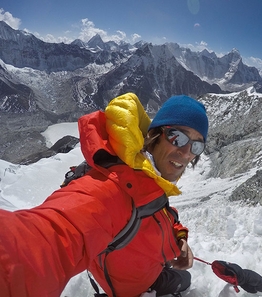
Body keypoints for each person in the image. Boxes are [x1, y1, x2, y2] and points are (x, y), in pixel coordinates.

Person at [0, 92, 209, 297]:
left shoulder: (146, 178)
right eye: (177, 137)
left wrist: (179, 237)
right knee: (185, 280)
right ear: (155, 134)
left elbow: (157, 212)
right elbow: (48, 238)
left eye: (196, 145)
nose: (187, 152)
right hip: (136, 287)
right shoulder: (112, 189)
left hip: (145, 268)